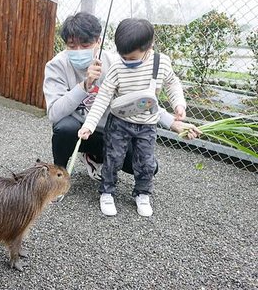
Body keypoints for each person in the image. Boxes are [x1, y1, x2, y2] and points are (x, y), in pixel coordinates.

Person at [43, 12, 200, 202]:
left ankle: (96, 157)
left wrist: (171, 122)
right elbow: (54, 114)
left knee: (148, 166)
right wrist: (84, 86)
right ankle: (58, 178)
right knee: (63, 128)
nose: (78, 50)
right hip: (80, 131)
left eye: (85, 45)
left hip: (115, 132)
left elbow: (138, 102)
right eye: (71, 46)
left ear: (98, 41)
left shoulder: (117, 64)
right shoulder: (56, 66)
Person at [78, 17, 187, 217]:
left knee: (146, 162)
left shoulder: (160, 63)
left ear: (149, 46)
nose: (126, 61)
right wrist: (89, 125)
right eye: (123, 57)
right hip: (119, 123)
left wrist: (179, 104)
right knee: (113, 158)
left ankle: (143, 193)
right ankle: (107, 191)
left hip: (147, 124)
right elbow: (102, 98)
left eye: (132, 58)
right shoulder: (117, 68)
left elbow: (172, 84)